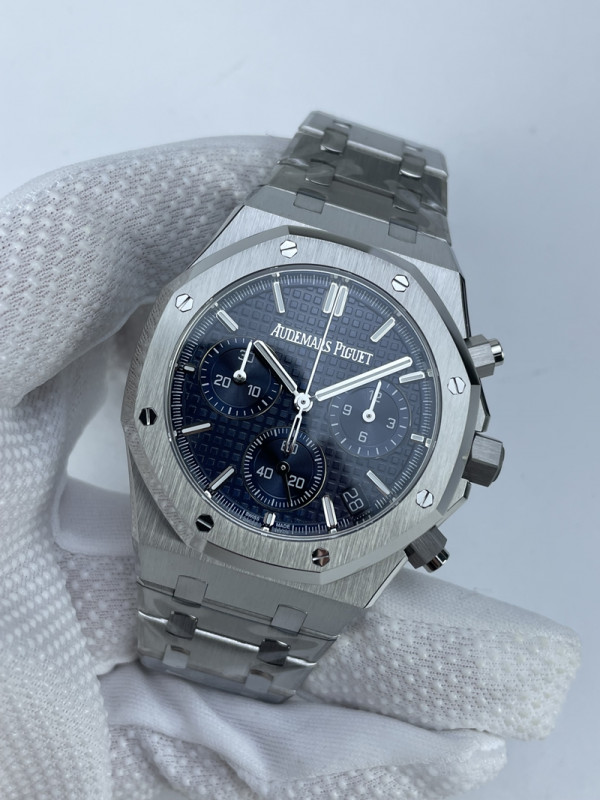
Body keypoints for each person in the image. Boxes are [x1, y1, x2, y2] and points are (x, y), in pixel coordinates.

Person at [0, 135, 580, 800]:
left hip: (294, 531)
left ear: (465, 457)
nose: (303, 402)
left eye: (312, 400)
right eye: (294, 393)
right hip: (208, 512)